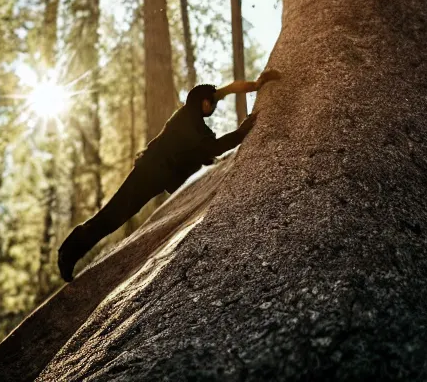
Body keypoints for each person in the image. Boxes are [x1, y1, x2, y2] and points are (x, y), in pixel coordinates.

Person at [57, 69, 281, 282]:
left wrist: (258, 84)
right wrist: (242, 131)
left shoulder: (193, 108)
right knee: (113, 216)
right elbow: (214, 148)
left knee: (115, 216)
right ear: (204, 102)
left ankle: (71, 250)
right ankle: (68, 252)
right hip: (149, 174)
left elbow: (229, 89)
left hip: (157, 175)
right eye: (211, 103)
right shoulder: (189, 123)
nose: (214, 106)